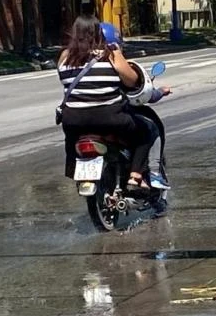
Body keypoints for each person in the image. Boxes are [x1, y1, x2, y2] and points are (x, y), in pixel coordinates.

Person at [58, 15, 160, 189]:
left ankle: (73, 168)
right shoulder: (110, 53)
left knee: (71, 137)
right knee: (148, 129)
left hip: (73, 121)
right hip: (109, 119)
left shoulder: (65, 57)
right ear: (98, 33)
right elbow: (132, 80)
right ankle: (135, 175)